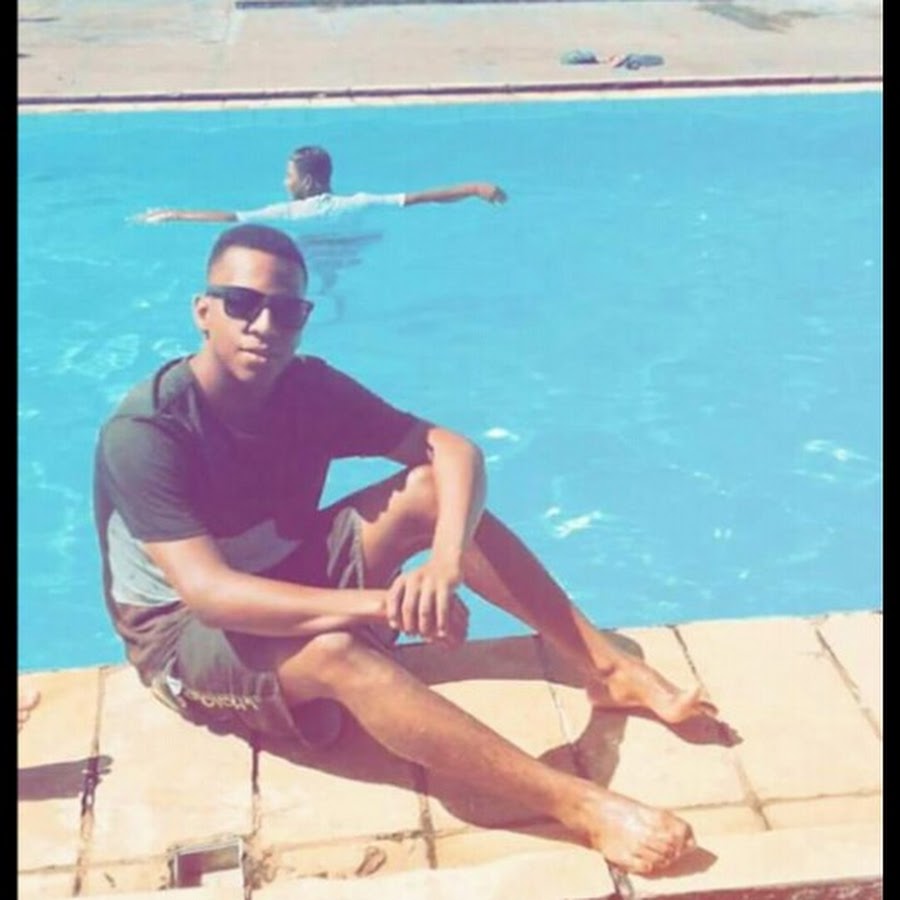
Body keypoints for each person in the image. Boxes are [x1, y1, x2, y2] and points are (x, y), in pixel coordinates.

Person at [93, 223, 716, 876]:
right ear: (204, 311)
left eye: (286, 310)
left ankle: (607, 670)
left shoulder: (307, 390)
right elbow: (212, 596)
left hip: (280, 567)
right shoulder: (148, 433)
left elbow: (453, 450)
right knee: (336, 652)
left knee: (432, 492)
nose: (264, 325)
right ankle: (577, 804)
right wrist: (385, 605)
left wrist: (444, 566)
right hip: (181, 634)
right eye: (242, 303)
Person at [134, 145, 507, 225]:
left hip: (311, 254)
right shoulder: (359, 202)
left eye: (289, 177)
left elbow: (230, 217)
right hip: (355, 247)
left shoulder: (287, 213)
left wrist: (177, 214)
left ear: (308, 181)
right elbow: (423, 198)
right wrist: (474, 187)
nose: (284, 182)